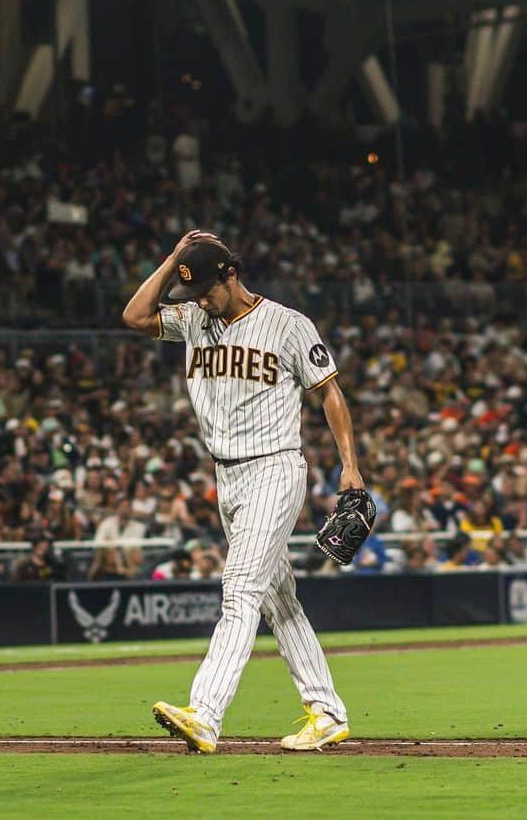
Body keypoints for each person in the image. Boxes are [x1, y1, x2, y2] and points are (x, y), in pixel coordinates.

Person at [123, 230, 364, 753]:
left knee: (239, 590)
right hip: (226, 476)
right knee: (279, 600)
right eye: (195, 291)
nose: (201, 298)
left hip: (274, 468)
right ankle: (326, 712)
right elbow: (136, 317)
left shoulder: (288, 324)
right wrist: (172, 261)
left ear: (231, 274)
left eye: (208, 287)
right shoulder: (192, 319)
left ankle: (205, 714)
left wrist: (350, 467)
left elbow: (329, 393)